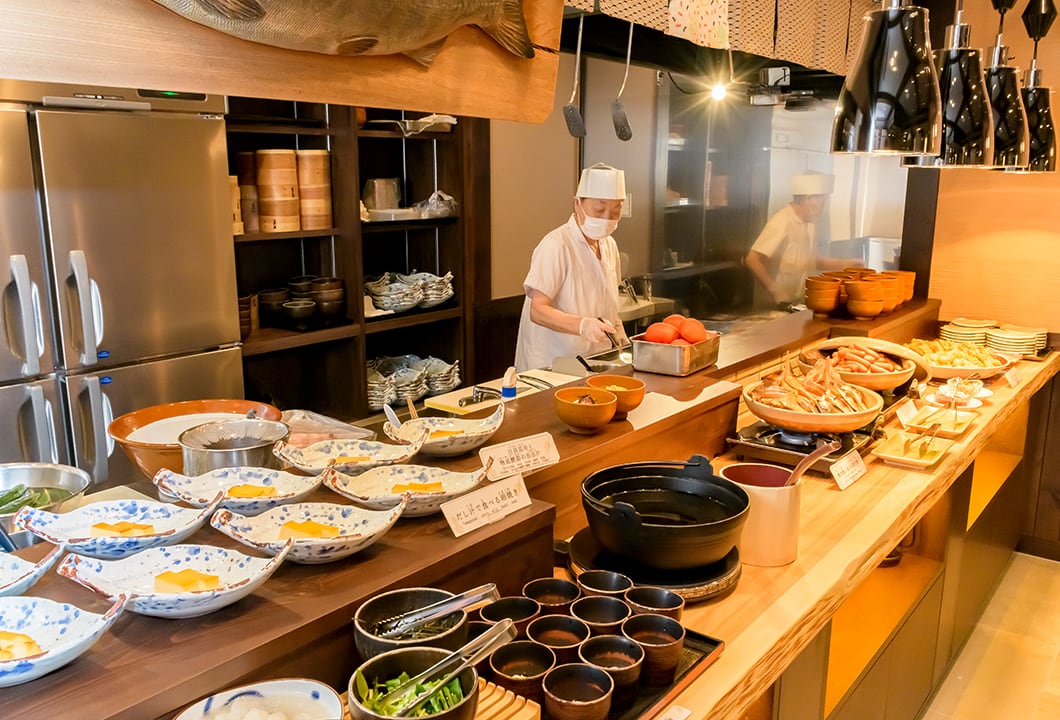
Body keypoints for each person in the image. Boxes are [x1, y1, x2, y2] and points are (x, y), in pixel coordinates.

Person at [514, 163, 628, 372]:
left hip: (593, 360)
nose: (606, 219)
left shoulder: (609, 245)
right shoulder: (557, 245)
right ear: (577, 204)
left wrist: (618, 330)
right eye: (599, 209)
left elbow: (606, 300)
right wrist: (582, 325)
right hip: (551, 365)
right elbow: (537, 310)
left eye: (614, 211)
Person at [745, 171, 848, 309]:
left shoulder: (810, 224)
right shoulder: (782, 221)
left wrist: (845, 265)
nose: (825, 205)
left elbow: (808, 260)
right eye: (823, 199)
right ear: (809, 198)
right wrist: (775, 290)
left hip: (798, 303)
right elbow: (752, 259)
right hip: (775, 308)